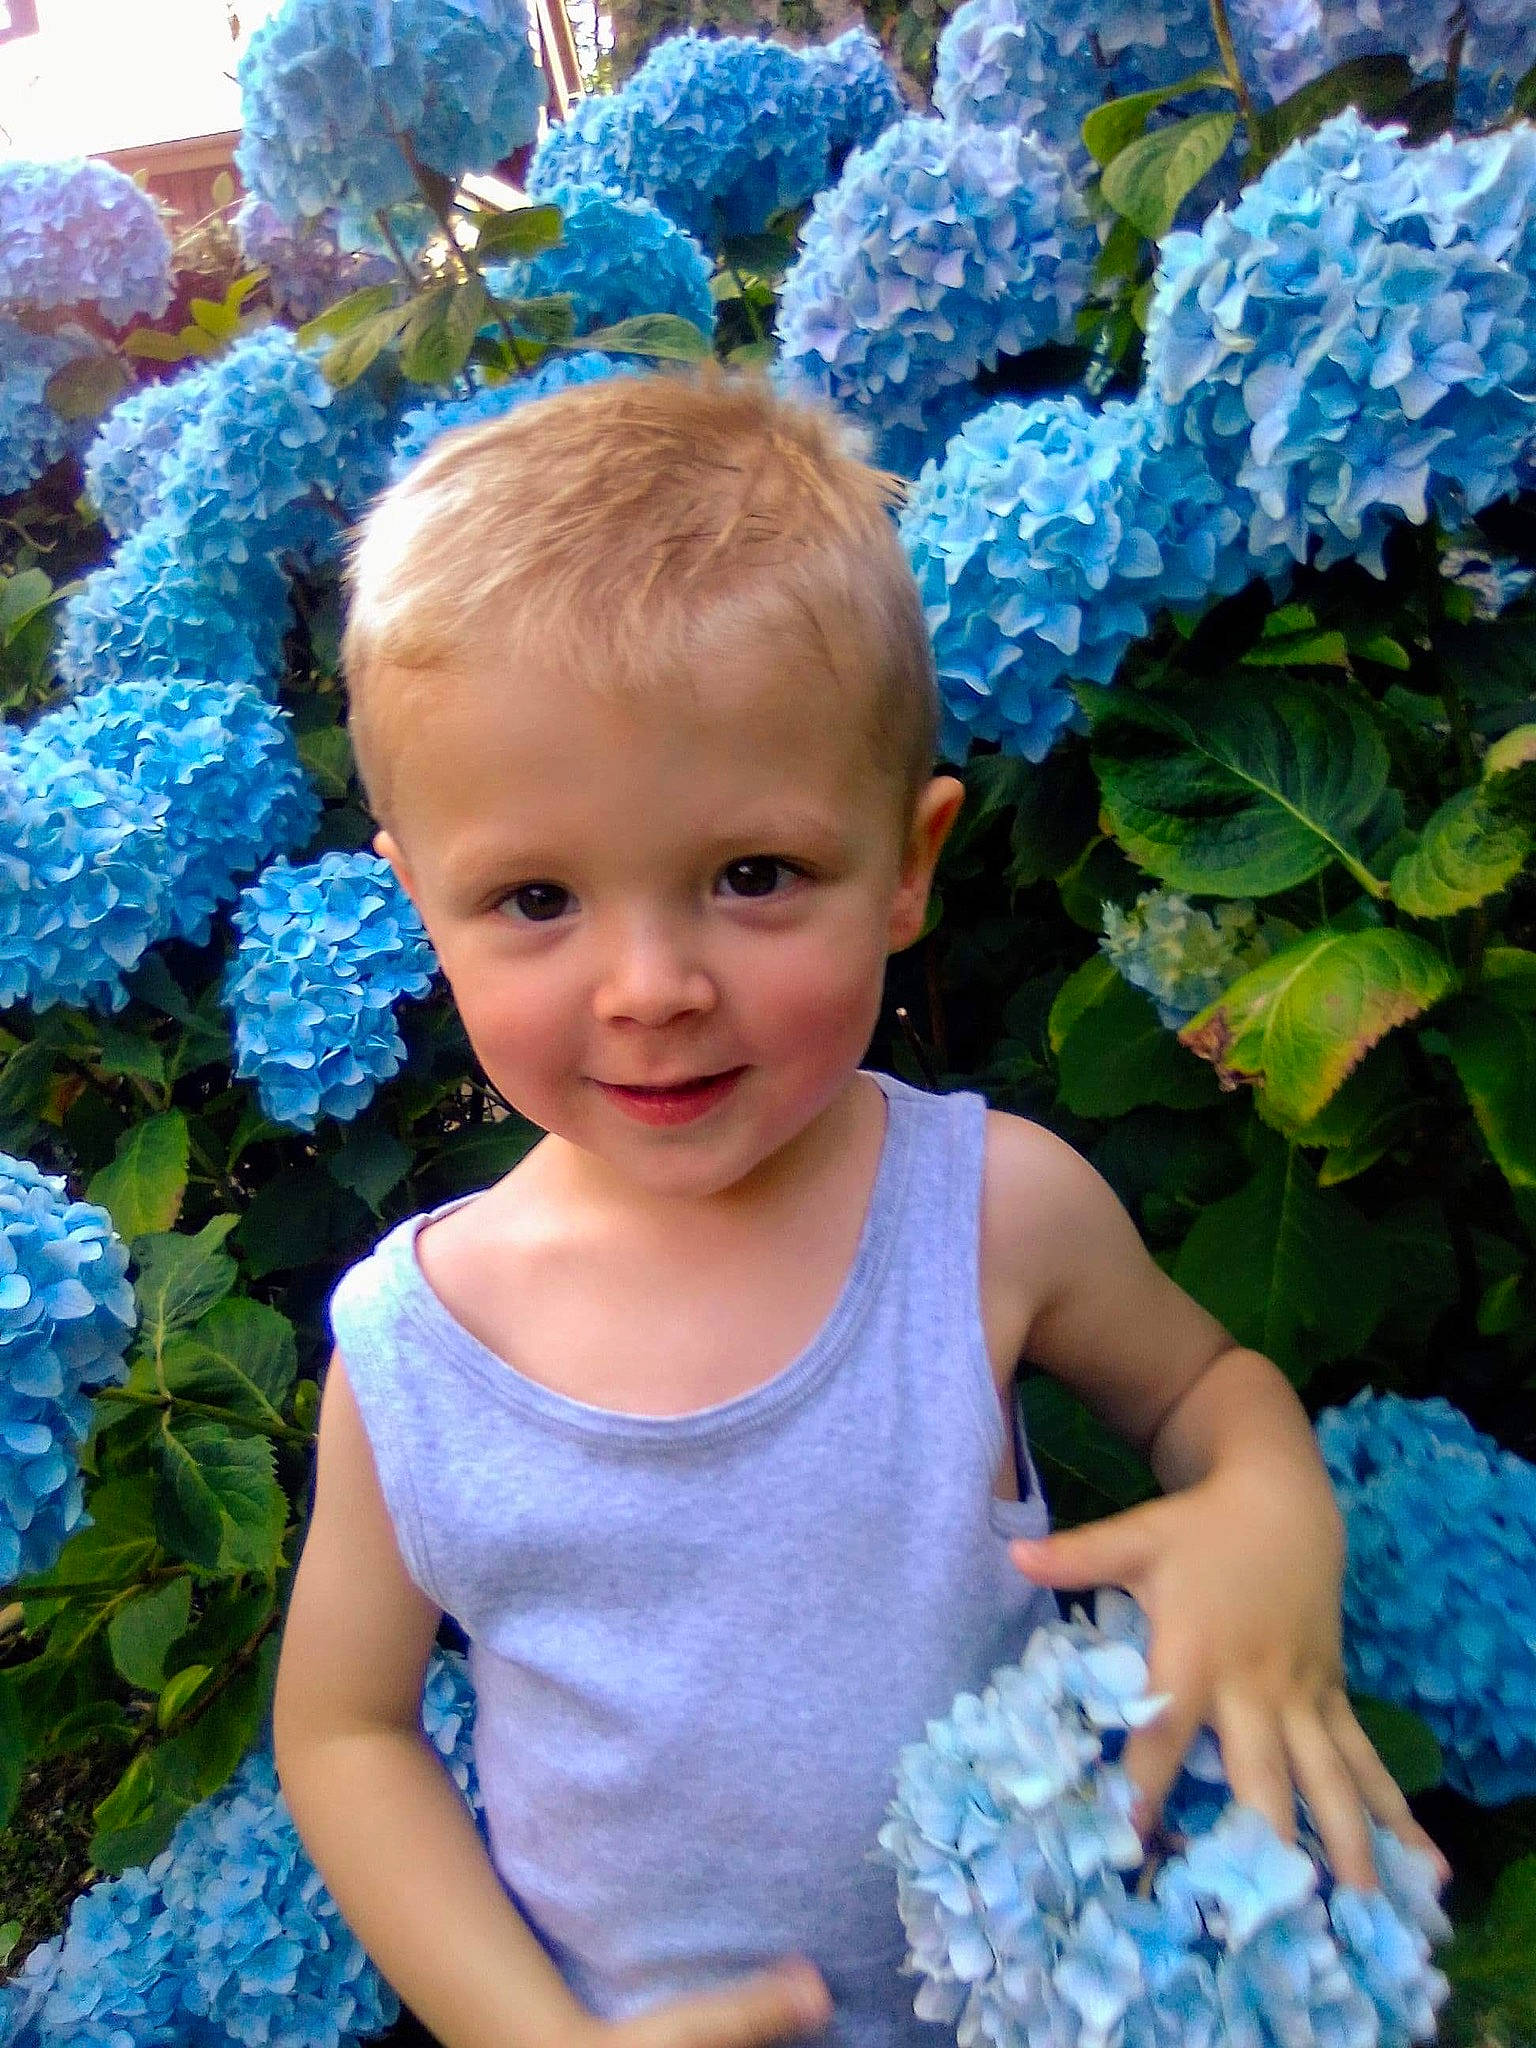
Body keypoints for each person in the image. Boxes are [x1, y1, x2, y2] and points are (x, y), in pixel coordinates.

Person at [271, 367, 1447, 2048]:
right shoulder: (419, 1353)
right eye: (536, 898)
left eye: (754, 876)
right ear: (420, 907)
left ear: (909, 864)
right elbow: (346, 1732)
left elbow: (1204, 1394)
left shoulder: (990, 1213)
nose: (653, 987)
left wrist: (1271, 1513)